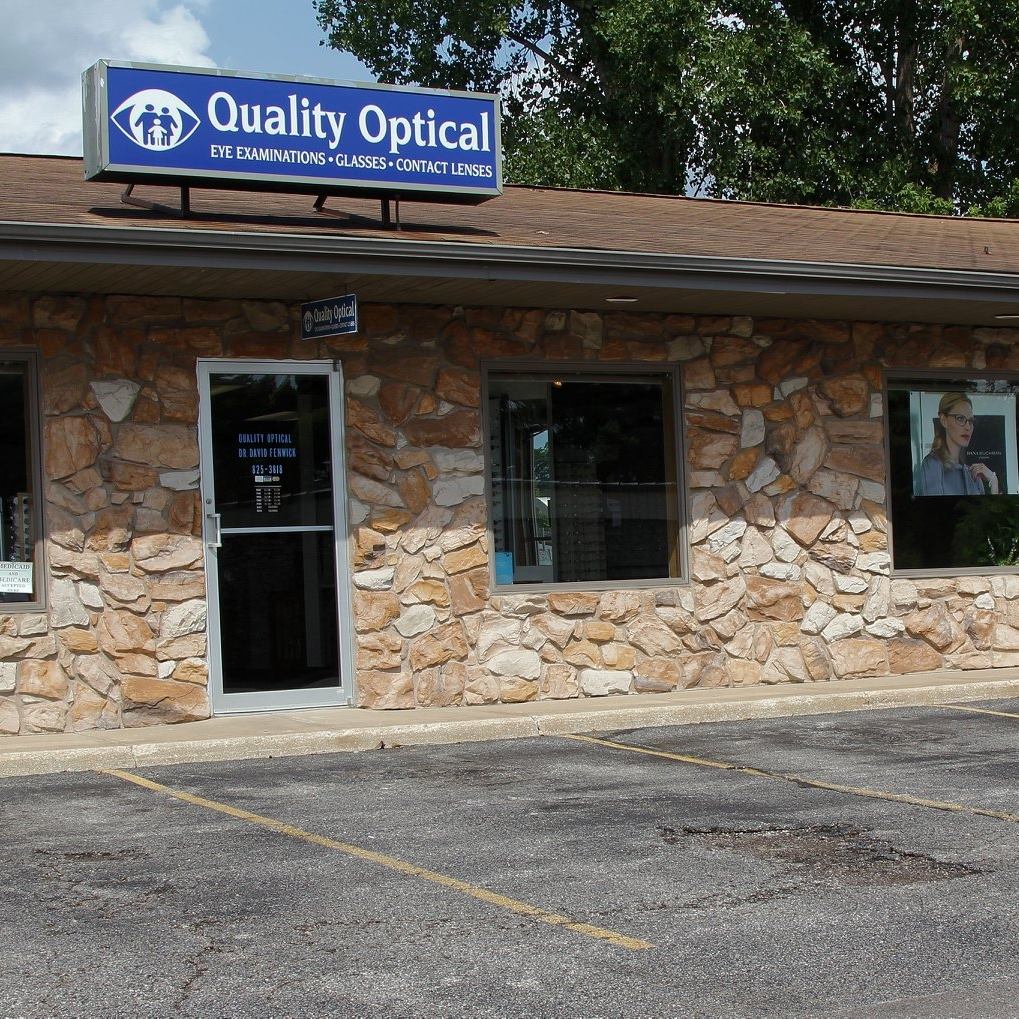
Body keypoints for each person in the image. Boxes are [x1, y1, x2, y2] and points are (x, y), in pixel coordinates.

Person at [918, 392, 999, 495]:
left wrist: (993, 480)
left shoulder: (973, 473)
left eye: (971, 421)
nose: (968, 427)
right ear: (944, 420)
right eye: (960, 418)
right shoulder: (932, 464)